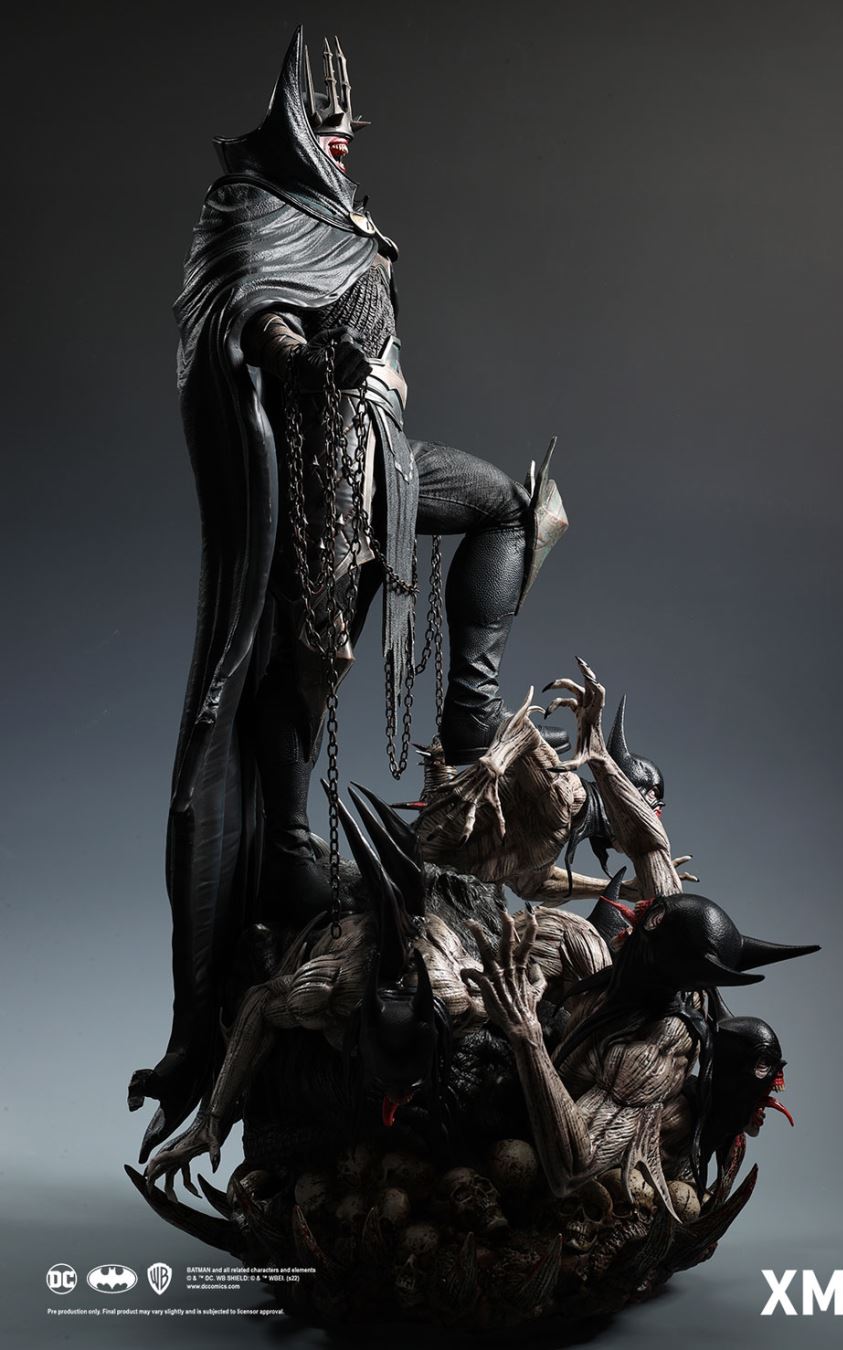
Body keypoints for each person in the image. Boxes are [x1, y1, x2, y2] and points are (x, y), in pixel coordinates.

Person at [128, 25, 568, 1160]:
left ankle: (466, 729)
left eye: (345, 129)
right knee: (304, 674)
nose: (338, 140)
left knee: (515, 507)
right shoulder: (248, 209)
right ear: (289, 128)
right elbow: (248, 313)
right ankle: (287, 855)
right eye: (322, 125)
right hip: (317, 475)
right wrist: (297, 354)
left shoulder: (347, 214)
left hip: (387, 458)